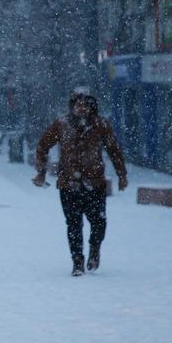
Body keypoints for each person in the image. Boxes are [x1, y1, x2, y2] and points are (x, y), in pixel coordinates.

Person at [33, 88, 128, 276]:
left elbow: (114, 149)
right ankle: (77, 261)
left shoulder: (100, 124)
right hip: (69, 185)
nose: (81, 108)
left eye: (85, 105)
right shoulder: (61, 124)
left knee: (99, 222)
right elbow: (43, 145)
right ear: (72, 106)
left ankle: (94, 248)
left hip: (95, 183)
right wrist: (41, 171)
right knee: (73, 225)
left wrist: (122, 174)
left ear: (92, 107)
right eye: (77, 104)